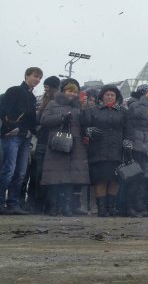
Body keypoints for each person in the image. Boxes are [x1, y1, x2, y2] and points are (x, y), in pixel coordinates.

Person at [40, 79, 90, 216]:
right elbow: (44, 120)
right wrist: (61, 118)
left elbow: (86, 123)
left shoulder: (78, 106)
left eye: (75, 92)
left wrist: (85, 109)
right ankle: (53, 207)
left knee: (70, 178)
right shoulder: (52, 103)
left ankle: (67, 207)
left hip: (75, 145)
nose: (72, 94)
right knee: (55, 178)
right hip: (57, 144)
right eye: (69, 90)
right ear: (63, 91)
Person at [0, 67, 43, 215]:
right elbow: (4, 111)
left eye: (39, 78)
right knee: (9, 170)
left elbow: (30, 120)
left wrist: (32, 130)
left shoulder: (31, 97)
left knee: (20, 172)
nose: (37, 80)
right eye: (35, 76)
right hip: (12, 136)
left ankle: (12, 203)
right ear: (26, 76)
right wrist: (10, 127)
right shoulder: (14, 91)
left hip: (25, 137)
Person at [80, 84, 128, 217]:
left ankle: (111, 207)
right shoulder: (93, 110)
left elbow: (128, 130)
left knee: (115, 179)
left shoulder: (123, 111)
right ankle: (101, 209)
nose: (110, 97)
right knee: (101, 179)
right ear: (102, 96)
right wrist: (89, 131)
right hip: (98, 149)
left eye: (112, 95)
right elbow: (84, 126)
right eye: (107, 94)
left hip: (118, 150)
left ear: (116, 97)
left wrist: (128, 145)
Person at [26, 75, 59, 214]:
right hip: (43, 140)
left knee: (42, 173)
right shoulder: (45, 99)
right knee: (37, 172)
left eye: (47, 87)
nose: (45, 90)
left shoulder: (55, 102)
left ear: (53, 88)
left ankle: (40, 203)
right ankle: (36, 203)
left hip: (48, 140)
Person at [124, 84, 148, 217]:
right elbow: (139, 114)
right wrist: (145, 99)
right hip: (134, 145)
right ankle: (129, 207)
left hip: (143, 145)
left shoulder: (145, 105)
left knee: (140, 178)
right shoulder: (134, 104)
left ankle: (138, 207)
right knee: (133, 177)